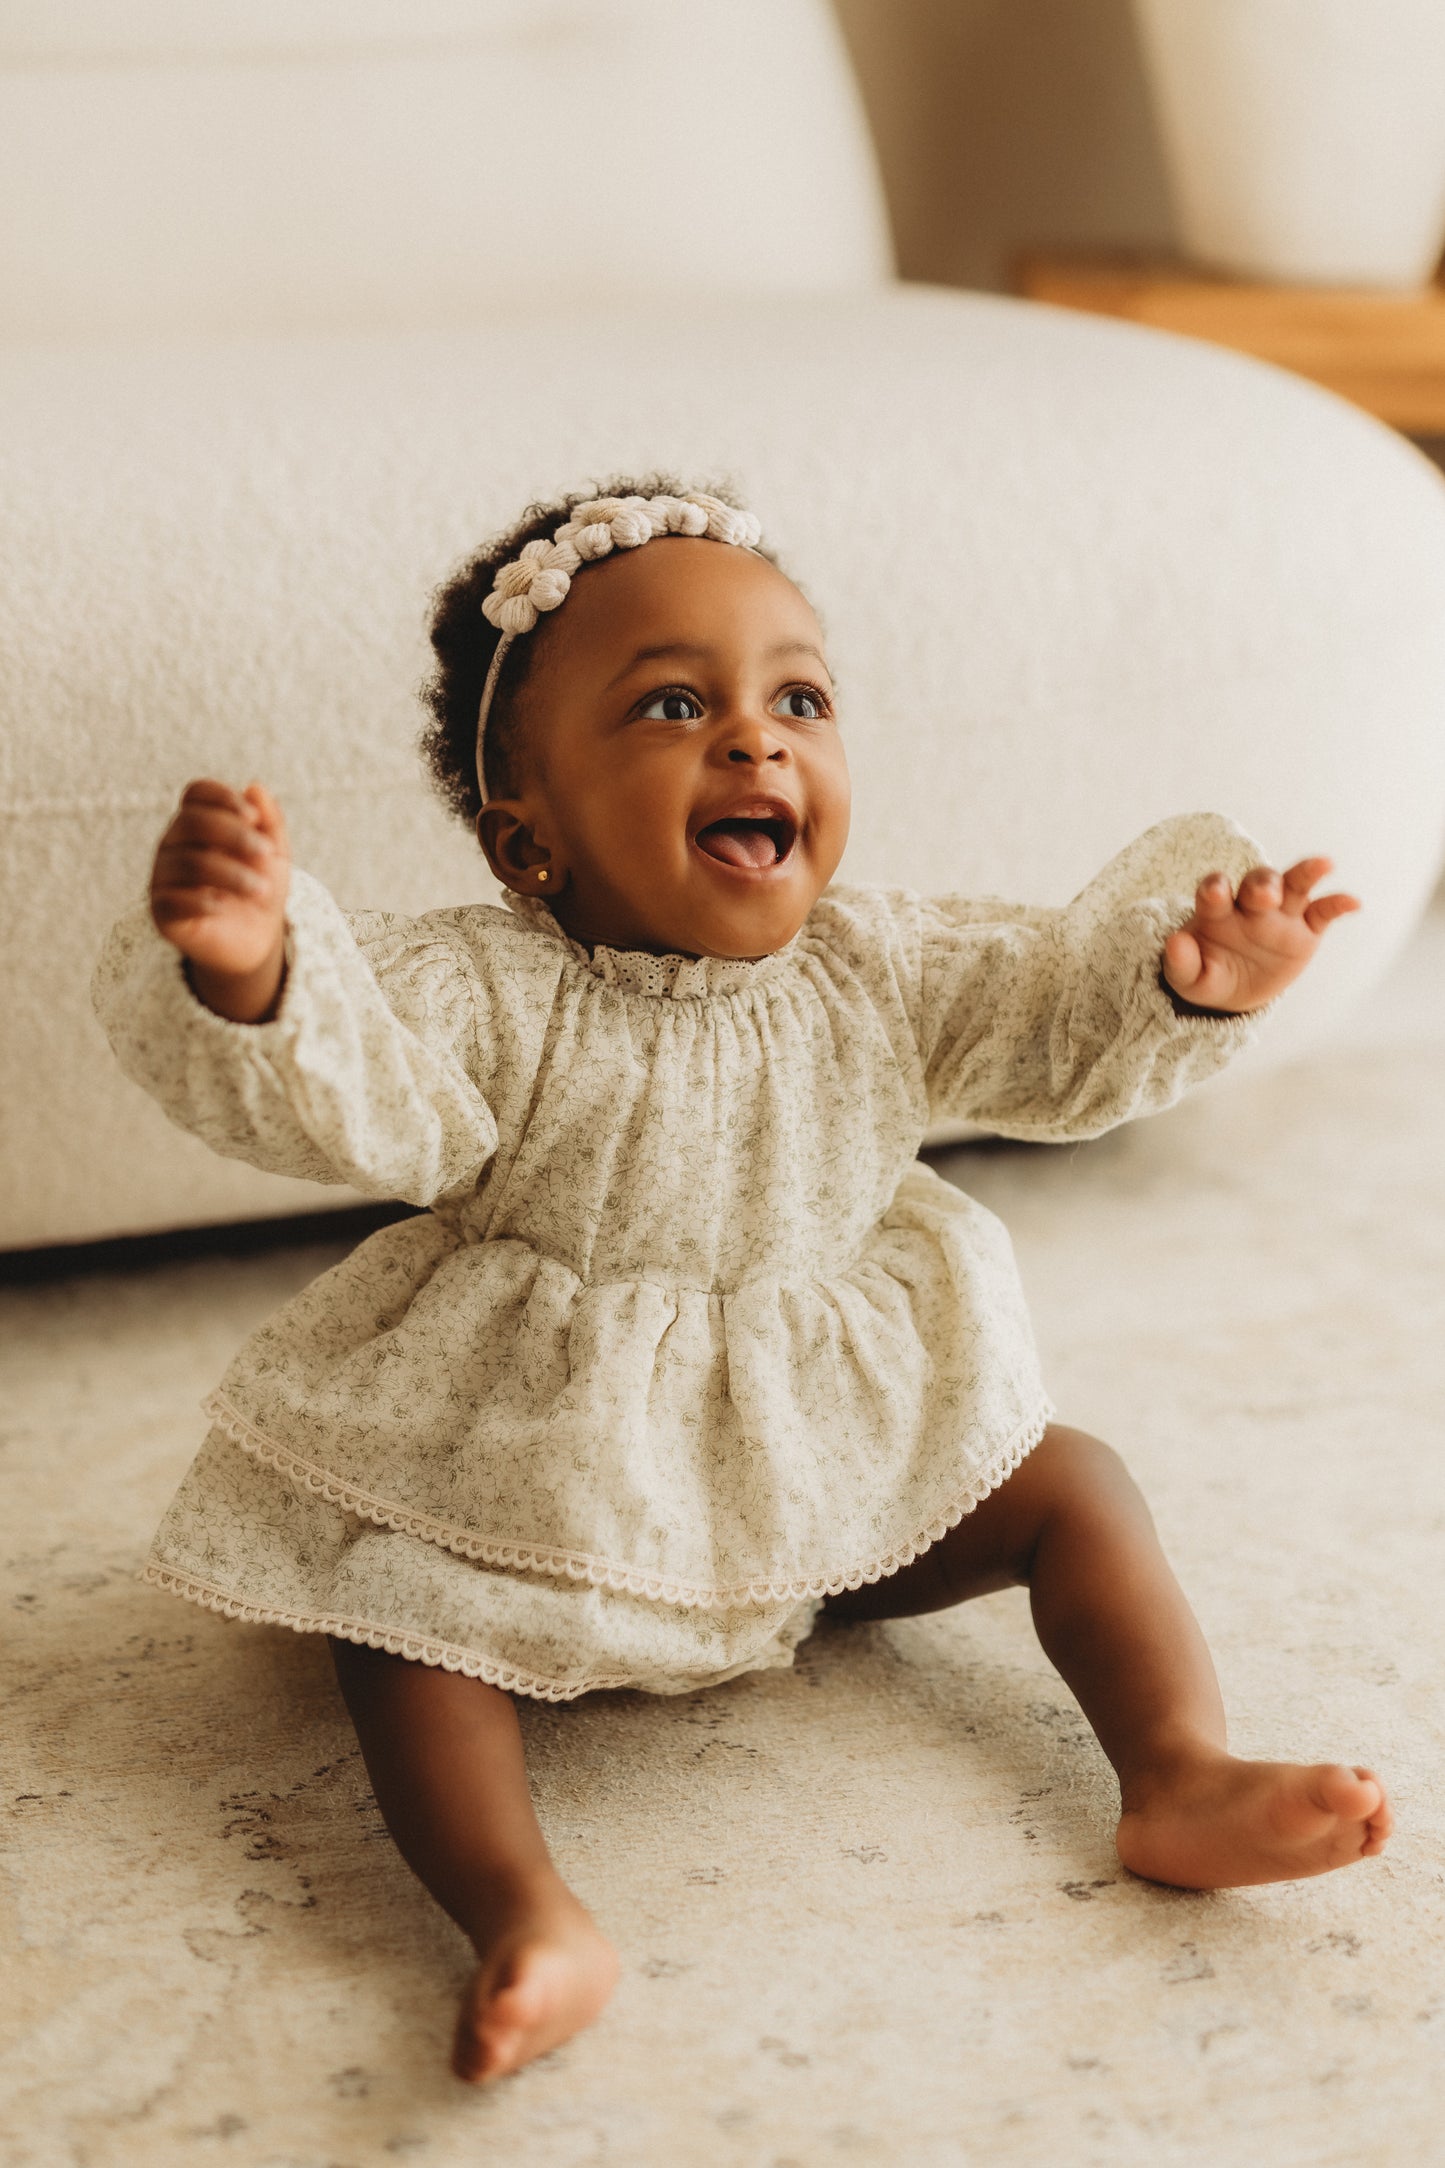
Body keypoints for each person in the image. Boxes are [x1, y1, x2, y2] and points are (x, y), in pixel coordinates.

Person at [93, 479, 1392, 2089]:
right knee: (398, 1620)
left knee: (1078, 1487)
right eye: (671, 705)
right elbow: (368, 1079)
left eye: (798, 697)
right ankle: (523, 1914)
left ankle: (1176, 1769)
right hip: (542, 1467)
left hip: (825, 1460)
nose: (756, 742)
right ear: (529, 839)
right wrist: (263, 971)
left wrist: (1178, 984)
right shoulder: (493, 986)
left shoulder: (875, 964)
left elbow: (1045, 1017)